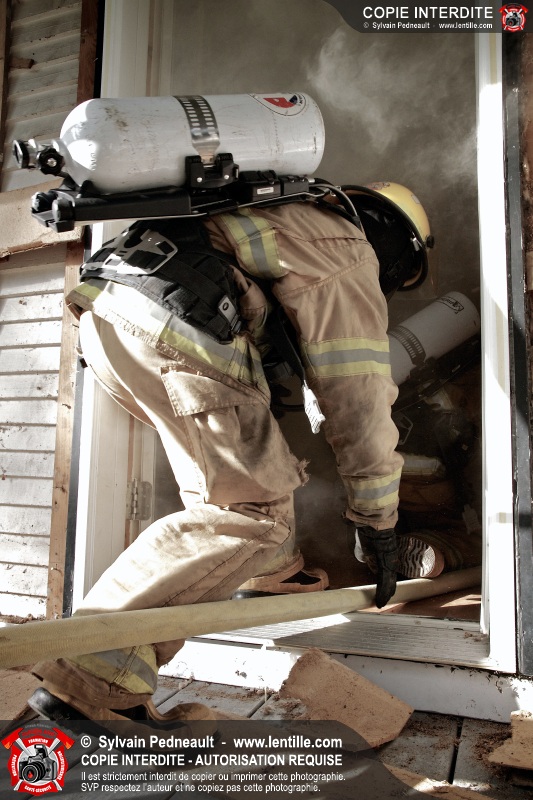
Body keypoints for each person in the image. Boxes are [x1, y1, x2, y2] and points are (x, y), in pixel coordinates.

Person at [27, 182, 432, 725]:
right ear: (396, 245)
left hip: (111, 317)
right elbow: (359, 400)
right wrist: (377, 522)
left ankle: (120, 675)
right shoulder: (346, 248)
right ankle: (84, 681)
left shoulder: (282, 212)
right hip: (175, 327)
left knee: (234, 501)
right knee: (253, 512)